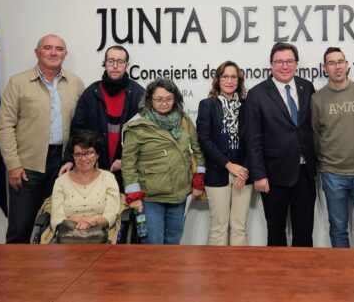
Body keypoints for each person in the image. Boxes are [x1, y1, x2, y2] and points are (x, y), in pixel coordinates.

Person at [0, 34, 84, 243]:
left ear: (65, 54)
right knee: (21, 227)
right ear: (37, 52)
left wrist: (73, 160)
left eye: (59, 49)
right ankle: (17, 275)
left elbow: (80, 127)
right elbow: (4, 126)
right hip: (27, 165)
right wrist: (13, 165)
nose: (54, 53)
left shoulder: (76, 83)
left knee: (58, 225)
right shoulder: (18, 82)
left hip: (64, 164)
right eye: (48, 48)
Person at [245, 42, 317, 247]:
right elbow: (253, 138)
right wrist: (259, 175)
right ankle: (277, 278)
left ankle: (303, 277)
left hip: (305, 173)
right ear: (271, 65)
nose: (284, 66)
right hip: (273, 176)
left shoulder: (307, 87)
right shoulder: (257, 94)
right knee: (276, 233)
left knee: (304, 232)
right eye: (279, 62)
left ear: (296, 64)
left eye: (289, 61)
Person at [121, 77, 205, 245]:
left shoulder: (184, 121)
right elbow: (128, 165)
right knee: (153, 245)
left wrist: (198, 180)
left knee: (173, 243)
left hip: (180, 196)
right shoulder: (137, 126)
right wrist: (134, 196)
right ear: (149, 100)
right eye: (159, 99)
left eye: (168, 99)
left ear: (175, 100)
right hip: (150, 198)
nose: (164, 103)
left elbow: (197, 151)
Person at [311, 47, 354, 248]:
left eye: (340, 61)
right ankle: (343, 277)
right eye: (331, 63)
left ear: (347, 64)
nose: (337, 66)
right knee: (338, 229)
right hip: (332, 174)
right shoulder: (318, 99)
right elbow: (315, 134)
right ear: (325, 68)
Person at [63, 45, 144, 188]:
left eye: (120, 62)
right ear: (104, 63)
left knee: (124, 209)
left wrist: (125, 160)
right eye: (111, 61)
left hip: (128, 170)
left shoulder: (139, 94)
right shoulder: (91, 93)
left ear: (127, 65)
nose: (115, 66)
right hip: (95, 169)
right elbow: (78, 131)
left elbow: (145, 135)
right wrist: (70, 159)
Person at [197, 61, 252, 246]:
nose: (229, 80)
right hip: (217, 172)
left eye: (233, 77)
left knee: (239, 227)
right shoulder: (207, 105)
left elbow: (253, 140)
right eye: (225, 76)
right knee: (219, 227)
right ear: (218, 80)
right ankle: (217, 274)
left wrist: (243, 169)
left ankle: (238, 273)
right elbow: (204, 140)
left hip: (243, 174)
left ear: (239, 80)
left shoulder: (247, 105)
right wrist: (229, 165)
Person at [50, 129, 121, 241]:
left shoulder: (108, 178)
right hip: (67, 235)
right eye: (78, 154)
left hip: (101, 235)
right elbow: (56, 217)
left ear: (97, 154)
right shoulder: (61, 182)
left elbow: (111, 213)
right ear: (72, 156)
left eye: (89, 153)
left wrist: (94, 222)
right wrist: (78, 221)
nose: (83, 159)